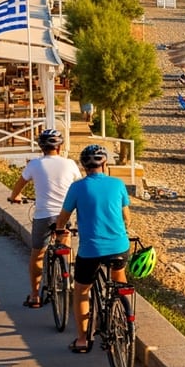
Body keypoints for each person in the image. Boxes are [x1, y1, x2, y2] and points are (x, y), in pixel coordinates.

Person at [54, 144, 131, 353]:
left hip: (91, 250)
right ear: (104, 163)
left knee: (81, 290)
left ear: (83, 166)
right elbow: (127, 217)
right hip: (119, 246)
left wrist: (59, 230)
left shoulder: (78, 187)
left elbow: (63, 217)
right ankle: (124, 312)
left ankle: (82, 339)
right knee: (118, 276)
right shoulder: (117, 184)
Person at [8, 129, 82, 308]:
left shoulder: (34, 164)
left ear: (41, 147)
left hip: (43, 215)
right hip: (64, 214)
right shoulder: (70, 164)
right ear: (60, 146)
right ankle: (68, 279)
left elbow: (19, 185)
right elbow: (79, 185)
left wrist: (14, 197)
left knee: (37, 253)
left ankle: (35, 296)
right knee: (65, 245)